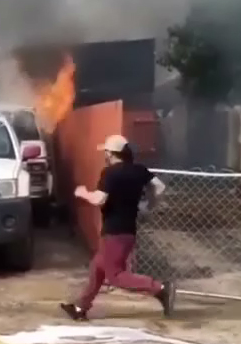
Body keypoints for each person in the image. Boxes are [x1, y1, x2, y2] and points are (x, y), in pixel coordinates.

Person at [61, 134, 176, 321]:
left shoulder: (110, 173)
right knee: (97, 268)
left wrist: (83, 193)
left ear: (111, 153)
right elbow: (160, 187)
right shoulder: (139, 170)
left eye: (105, 151)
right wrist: (150, 204)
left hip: (114, 231)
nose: (104, 155)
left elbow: (99, 199)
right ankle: (80, 308)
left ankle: (160, 288)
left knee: (116, 276)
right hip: (128, 230)